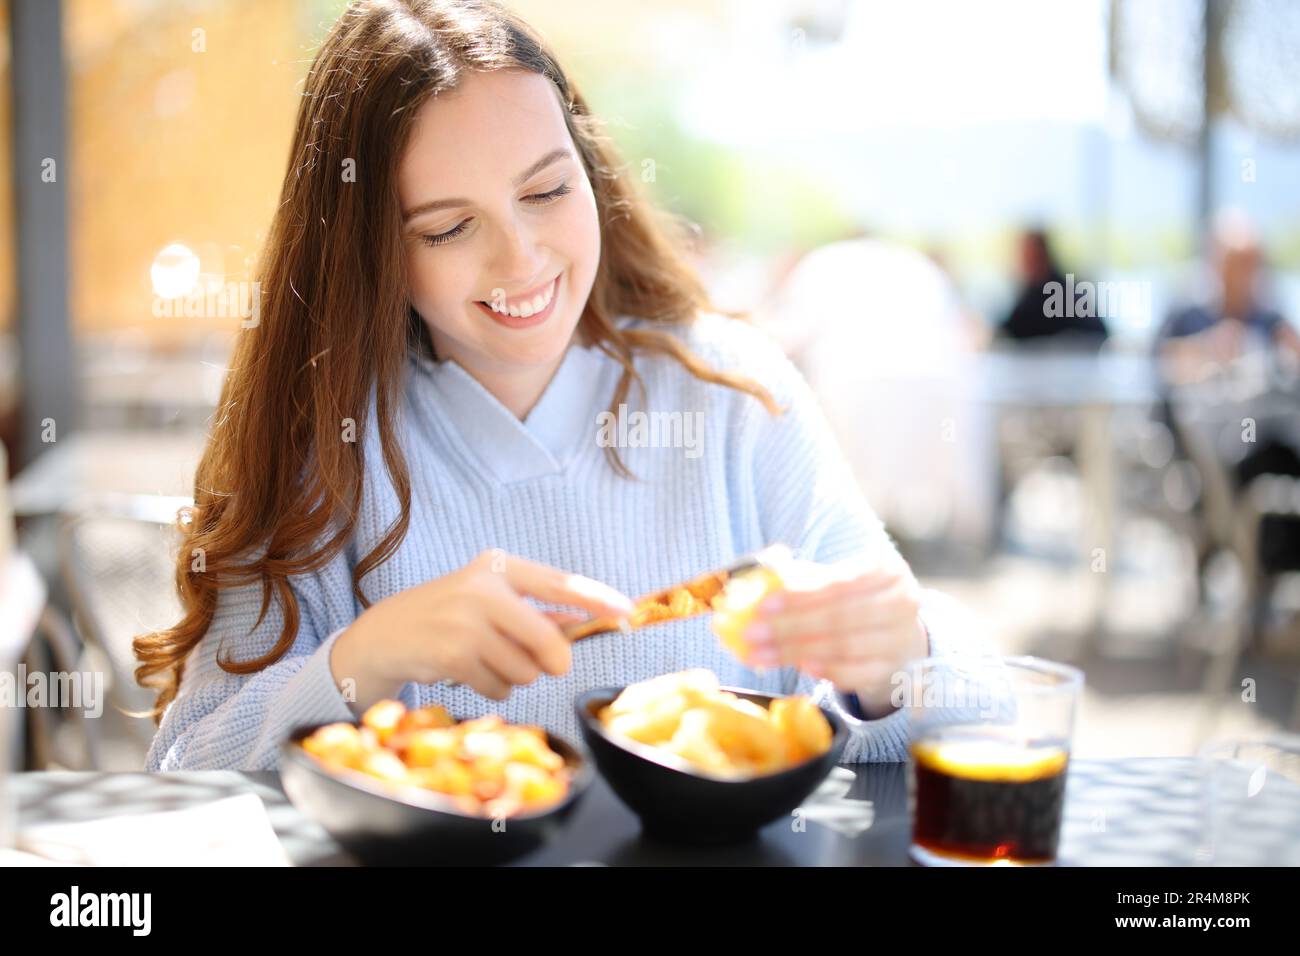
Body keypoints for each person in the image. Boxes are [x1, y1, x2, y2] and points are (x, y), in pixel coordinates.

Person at [136, 0, 987, 772]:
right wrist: (365, 658)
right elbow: (184, 765)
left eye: (546, 190)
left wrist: (894, 664)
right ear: (371, 255)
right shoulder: (320, 440)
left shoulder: (732, 394)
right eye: (449, 228)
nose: (522, 259)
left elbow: (981, 708)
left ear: (592, 174)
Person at [997, 229, 1108, 348]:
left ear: (1044, 256)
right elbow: (1010, 330)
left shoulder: (1064, 293)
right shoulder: (1031, 293)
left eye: (1031, 257)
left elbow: (1098, 333)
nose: (1024, 264)